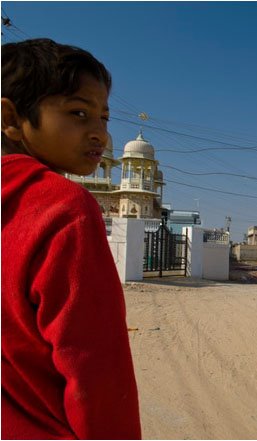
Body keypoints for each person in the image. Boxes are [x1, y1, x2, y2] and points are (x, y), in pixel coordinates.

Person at [1, 38, 141, 439]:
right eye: (79, 113)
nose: (100, 134)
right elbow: (95, 367)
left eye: (104, 118)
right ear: (11, 117)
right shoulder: (64, 208)